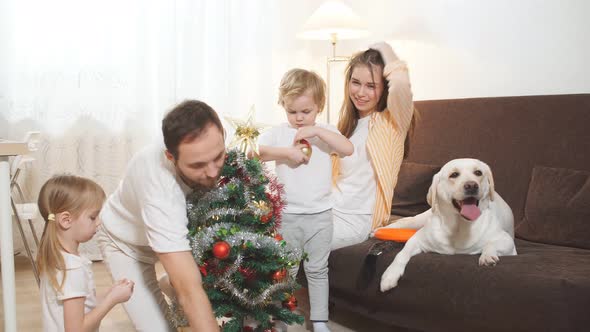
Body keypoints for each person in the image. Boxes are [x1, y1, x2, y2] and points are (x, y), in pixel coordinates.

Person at [97, 100, 223, 331]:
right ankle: (171, 280)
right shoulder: (159, 190)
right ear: (170, 157)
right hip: (126, 244)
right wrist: (181, 283)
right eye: (198, 165)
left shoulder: (210, 138)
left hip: (177, 231)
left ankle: (168, 281)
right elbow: (189, 289)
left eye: (218, 157)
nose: (213, 172)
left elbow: (251, 148)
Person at [257, 69, 353, 332]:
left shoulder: (325, 132)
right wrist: (287, 152)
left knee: (318, 270)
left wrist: (318, 133)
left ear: (319, 106)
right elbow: (256, 152)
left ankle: (320, 320)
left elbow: (347, 148)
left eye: (306, 111)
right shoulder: (279, 133)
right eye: (292, 111)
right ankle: (281, 319)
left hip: (321, 216)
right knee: (285, 272)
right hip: (288, 216)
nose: (299, 118)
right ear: (284, 107)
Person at [331, 42, 416, 250]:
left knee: (293, 245)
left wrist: (384, 48)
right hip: (327, 210)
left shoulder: (393, 123)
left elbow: (402, 85)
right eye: (356, 82)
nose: (361, 92)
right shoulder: (345, 128)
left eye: (371, 86)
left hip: (358, 220)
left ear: (384, 89)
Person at [37, 174, 134, 332]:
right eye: (92, 217)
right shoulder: (71, 268)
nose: (98, 222)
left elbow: (81, 305)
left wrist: (110, 293)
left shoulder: (59, 259)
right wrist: (111, 300)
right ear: (66, 220)